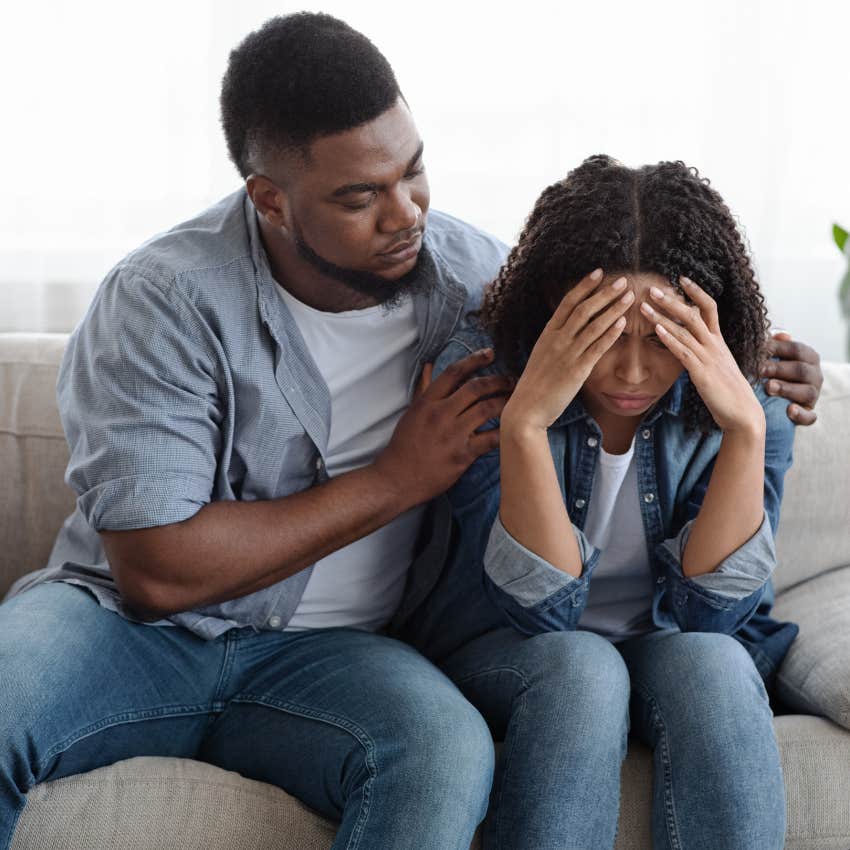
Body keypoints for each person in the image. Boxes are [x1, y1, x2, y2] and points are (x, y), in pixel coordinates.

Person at [0, 13, 822, 850]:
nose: (406, 215)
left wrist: (774, 363)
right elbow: (155, 575)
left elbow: (632, 297)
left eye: (414, 171)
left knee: (439, 751)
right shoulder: (162, 299)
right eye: (360, 197)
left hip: (342, 657)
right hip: (127, 631)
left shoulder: (473, 280)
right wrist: (398, 479)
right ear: (271, 199)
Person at [400, 155, 803, 849]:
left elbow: (714, 613)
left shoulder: (749, 390)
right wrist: (526, 424)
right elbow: (543, 610)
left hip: (671, 645)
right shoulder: (485, 374)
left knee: (716, 664)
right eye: (606, 335)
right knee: (581, 666)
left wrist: (743, 430)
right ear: (555, 308)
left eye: (662, 340)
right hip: (508, 647)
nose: (634, 372)